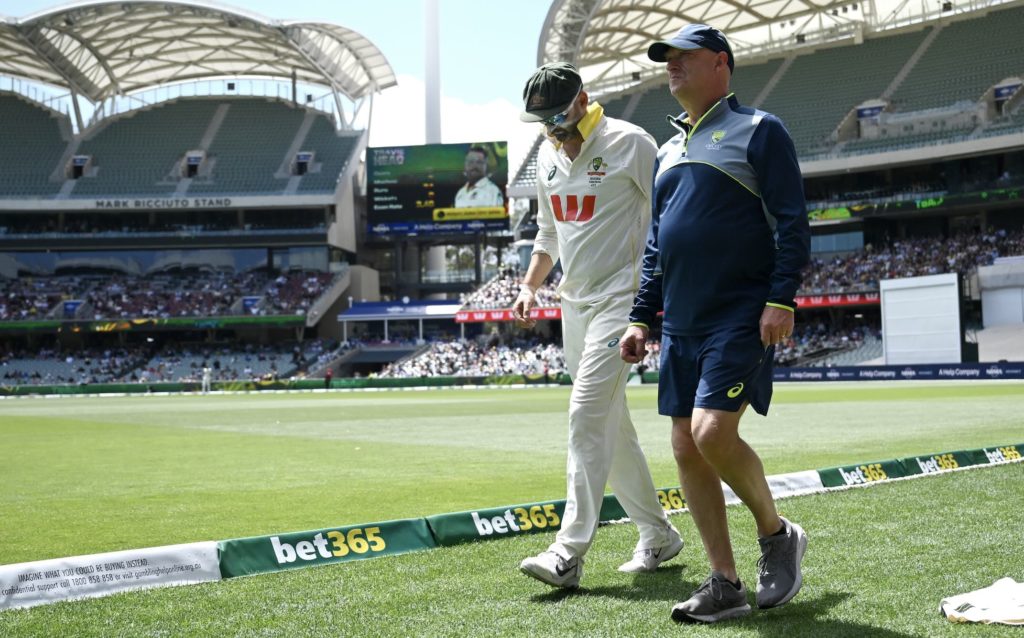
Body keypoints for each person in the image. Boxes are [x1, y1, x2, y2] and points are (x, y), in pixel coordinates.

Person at [619, 24, 811, 623]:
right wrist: (640, 316)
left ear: (721, 64)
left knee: (708, 434)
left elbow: (793, 220)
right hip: (681, 324)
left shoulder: (760, 129)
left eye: (684, 57)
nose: (671, 66)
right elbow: (656, 246)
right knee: (685, 447)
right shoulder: (667, 150)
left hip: (740, 314)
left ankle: (778, 535)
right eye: (666, 59)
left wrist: (782, 299)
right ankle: (724, 582)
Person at [514, 62, 683, 589]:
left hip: (622, 302)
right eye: (542, 121)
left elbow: (669, 220)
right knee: (613, 429)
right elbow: (548, 233)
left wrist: (654, 305)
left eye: (559, 116)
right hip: (574, 305)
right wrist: (529, 285)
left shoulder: (631, 143)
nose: (553, 129)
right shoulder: (545, 153)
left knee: (586, 415)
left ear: (584, 99)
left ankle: (568, 552)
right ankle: (658, 535)